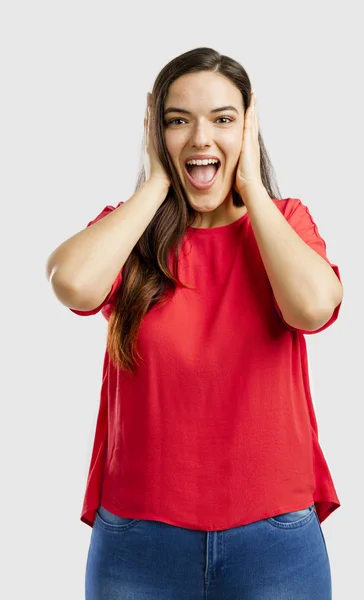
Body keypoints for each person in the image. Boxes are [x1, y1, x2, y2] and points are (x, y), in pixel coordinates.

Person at [46, 47, 343, 600]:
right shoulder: (129, 236)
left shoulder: (284, 223)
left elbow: (313, 307)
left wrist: (251, 186)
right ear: (157, 135)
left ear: (249, 129)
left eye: (223, 120)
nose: (201, 138)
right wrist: (155, 185)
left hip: (273, 532)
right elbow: (71, 283)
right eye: (178, 121)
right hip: (138, 534)